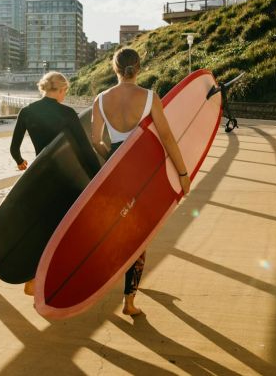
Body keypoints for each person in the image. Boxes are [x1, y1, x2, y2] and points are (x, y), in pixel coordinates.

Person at [90, 48, 191, 317]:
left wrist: (111, 157)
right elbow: (167, 138)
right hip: (142, 172)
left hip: (116, 171)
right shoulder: (149, 97)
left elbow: (95, 140)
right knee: (139, 235)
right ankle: (129, 301)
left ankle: (101, 284)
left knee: (116, 229)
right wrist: (182, 173)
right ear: (139, 67)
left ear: (114, 68)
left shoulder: (101, 99)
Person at [10, 71, 101, 296]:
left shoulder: (27, 111)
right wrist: (98, 175)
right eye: (65, 92)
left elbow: (14, 148)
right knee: (66, 229)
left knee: (40, 228)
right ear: (61, 90)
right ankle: (62, 276)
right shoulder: (68, 113)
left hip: (38, 178)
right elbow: (85, 149)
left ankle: (31, 279)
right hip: (64, 179)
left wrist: (21, 163)